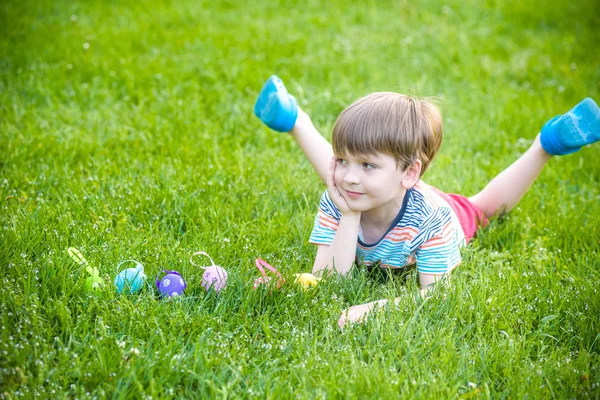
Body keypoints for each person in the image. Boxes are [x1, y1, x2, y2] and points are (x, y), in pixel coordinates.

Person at [253, 75, 600, 329]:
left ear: (410, 172)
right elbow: (331, 280)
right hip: (387, 196)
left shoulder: (432, 220)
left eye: (368, 164)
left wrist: (373, 308)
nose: (349, 176)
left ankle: (547, 143)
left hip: (441, 212)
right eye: (340, 160)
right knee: (355, 183)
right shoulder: (341, 197)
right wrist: (347, 215)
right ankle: (295, 119)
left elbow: (437, 294)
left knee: (484, 207)